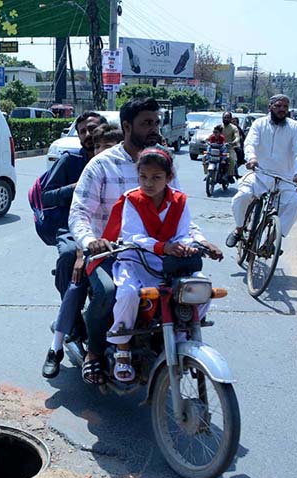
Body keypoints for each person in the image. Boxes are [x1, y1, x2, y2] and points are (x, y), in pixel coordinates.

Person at [69, 97, 223, 385]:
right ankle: (96, 351)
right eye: (146, 123)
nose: (154, 128)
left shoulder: (163, 162)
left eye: (156, 122)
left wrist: (200, 241)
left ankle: (175, 339)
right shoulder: (102, 164)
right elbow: (79, 212)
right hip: (113, 250)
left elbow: (179, 212)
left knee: (194, 288)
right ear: (127, 126)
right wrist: (91, 241)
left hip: (160, 254)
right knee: (107, 292)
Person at [96, 146, 195, 381]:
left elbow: (184, 232)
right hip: (135, 260)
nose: (148, 183)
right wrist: (163, 247)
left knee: (198, 290)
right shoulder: (132, 199)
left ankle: (183, 337)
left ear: (169, 178)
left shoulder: (180, 201)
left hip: (169, 263)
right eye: (143, 177)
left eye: (156, 178)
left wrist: (188, 245)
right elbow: (133, 237)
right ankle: (122, 348)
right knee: (128, 294)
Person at [41, 111, 108, 378]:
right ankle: (71, 325)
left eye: (93, 129)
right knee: (69, 255)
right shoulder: (71, 161)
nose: (89, 136)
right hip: (73, 228)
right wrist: (78, 186)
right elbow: (47, 196)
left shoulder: (120, 160)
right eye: (83, 131)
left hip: (110, 231)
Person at [225, 94, 297, 249]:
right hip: (259, 174)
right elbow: (250, 143)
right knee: (241, 197)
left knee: (296, 203)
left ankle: (271, 242)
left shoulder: (295, 128)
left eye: (285, 107)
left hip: (284, 178)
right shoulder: (259, 124)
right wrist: (252, 158)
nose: (282, 110)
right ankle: (239, 229)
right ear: (270, 107)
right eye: (278, 106)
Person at [221, 112, 241, 180]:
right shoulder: (219, 127)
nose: (226, 119)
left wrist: (234, 141)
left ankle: (230, 175)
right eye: (225, 117)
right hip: (218, 148)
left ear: (230, 119)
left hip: (229, 148)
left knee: (232, 160)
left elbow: (237, 136)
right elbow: (213, 134)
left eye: (228, 118)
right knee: (205, 155)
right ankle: (210, 172)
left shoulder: (234, 128)